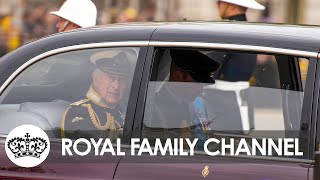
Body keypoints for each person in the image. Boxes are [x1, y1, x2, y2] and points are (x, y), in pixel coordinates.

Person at [150, 49, 220, 148]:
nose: (201, 91)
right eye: (197, 84)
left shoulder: (199, 103)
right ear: (178, 75)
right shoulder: (155, 109)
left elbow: (206, 138)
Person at [61, 50, 135, 140]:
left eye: (122, 80)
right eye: (111, 78)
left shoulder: (123, 111)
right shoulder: (80, 112)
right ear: (95, 78)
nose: (116, 86)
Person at [213, 0, 265, 82]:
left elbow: (211, 67)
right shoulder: (250, 31)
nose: (217, 4)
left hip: (222, 93)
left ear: (232, 5)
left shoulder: (228, 31)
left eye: (220, 2)